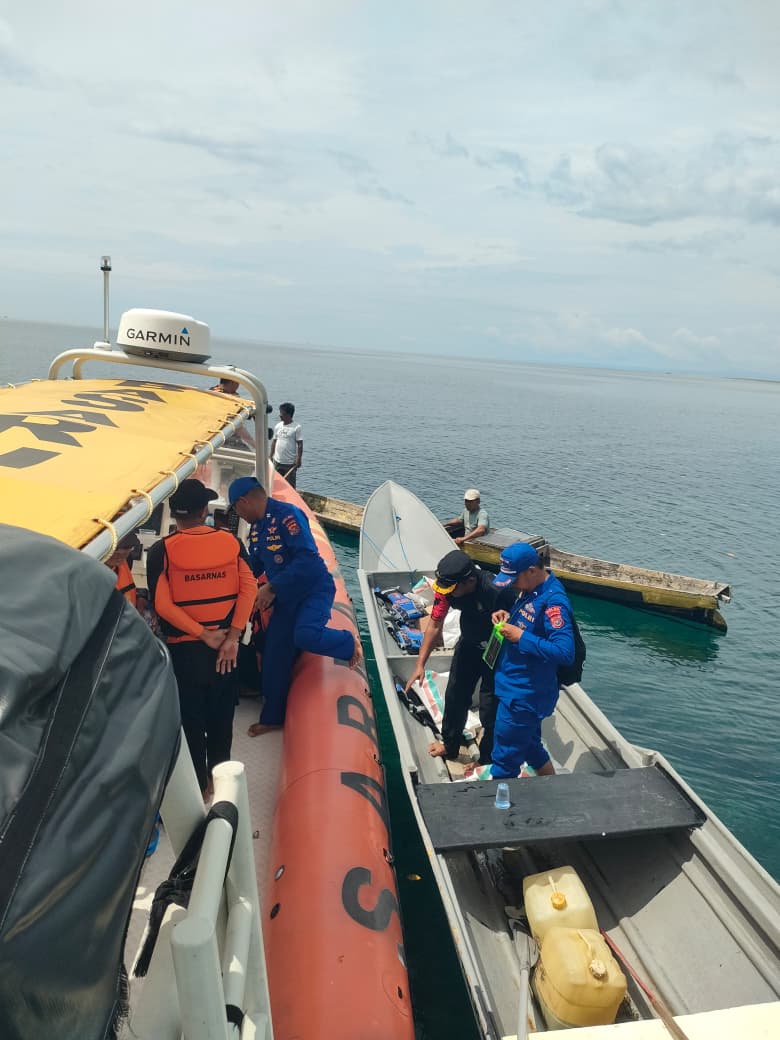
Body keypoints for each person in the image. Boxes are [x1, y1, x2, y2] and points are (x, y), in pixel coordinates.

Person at [147, 479, 257, 799]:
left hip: (186, 653)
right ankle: (221, 785)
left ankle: (199, 788)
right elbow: (249, 587)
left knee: (191, 722)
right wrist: (232, 637)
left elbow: (162, 605)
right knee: (221, 720)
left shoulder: (161, 551)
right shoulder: (231, 542)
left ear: (175, 514)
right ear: (204, 511)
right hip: (226, 650)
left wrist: (203, 634)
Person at [228, 475, 361, 736]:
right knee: (274, 656)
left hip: (313, 590)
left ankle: (348, 642)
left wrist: (271, 588)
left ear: (244, 502)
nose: (238, 515)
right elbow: (256, 564)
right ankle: (273, 717)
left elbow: (308, 560)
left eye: (236, 509)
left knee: (305, 635)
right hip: (287, 597)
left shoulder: (288, 516)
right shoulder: (257, 529)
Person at [406, 549, 516, 765]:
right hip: (469, 643)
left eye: (452, 589)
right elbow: (434, 625)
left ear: (470, 581)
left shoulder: (496, 590)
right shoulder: (446, 590)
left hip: (497, 649)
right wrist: (420, 665)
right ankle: (450, 745)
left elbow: (520, 625)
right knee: (455, 694)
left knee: (490, 706)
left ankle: (487, 759)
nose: (448, 593)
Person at [489, 542, 575, 779]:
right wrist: (508, 618)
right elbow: (531, 621)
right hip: (514, 686)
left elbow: (565, 652)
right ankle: (552, 787)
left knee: (504, 760)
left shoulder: (554, 602)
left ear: (532, 571)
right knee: (530, 747)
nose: (512, 584)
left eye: (514, 579)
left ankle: (499, 801)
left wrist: (521, 636)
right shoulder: (532, 589)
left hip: (523, 696)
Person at [270, 402, 303, 488]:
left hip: (289, 463)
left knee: (289, 486)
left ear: (288, 414)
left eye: (282, 413)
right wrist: (270, 456)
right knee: (276, 484)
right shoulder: (278, 426)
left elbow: (300, 444)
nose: (280, 415)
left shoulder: (296, 427)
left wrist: (298, 459)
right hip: (277, 461)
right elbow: (274, 441)